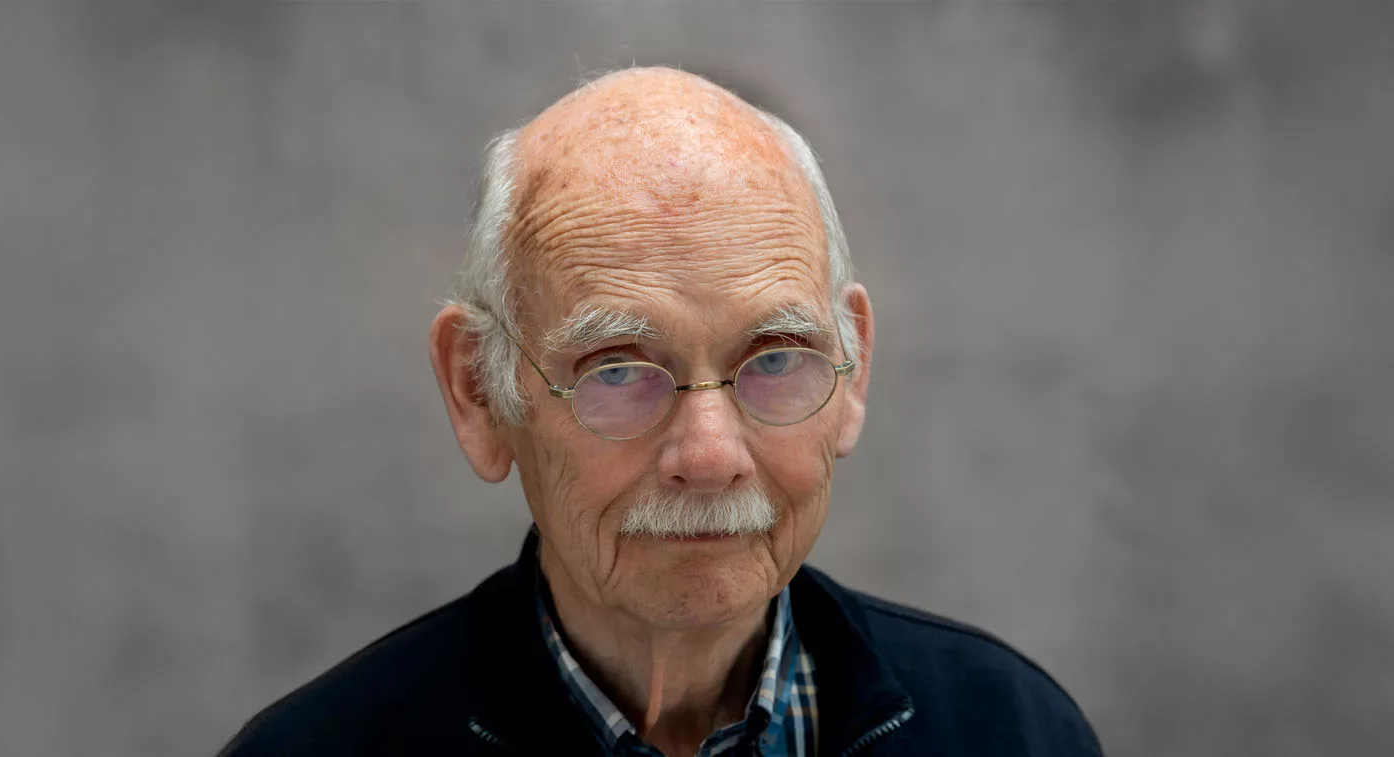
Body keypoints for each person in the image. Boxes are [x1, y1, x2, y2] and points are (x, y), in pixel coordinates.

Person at [221, 67, 1100, 756]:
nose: (710, 456)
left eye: (775, 358)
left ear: (853, 366)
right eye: (617, 370)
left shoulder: (1016, 732)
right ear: (480, 392)